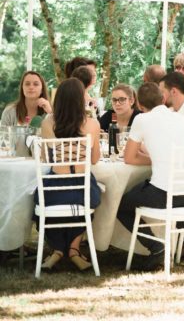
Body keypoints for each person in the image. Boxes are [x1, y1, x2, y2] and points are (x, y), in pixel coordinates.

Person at [118, 82, 184, 272]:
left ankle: (157, 249)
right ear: (163, 99)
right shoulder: (180, 119)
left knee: (122, 206)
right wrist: (158, 159)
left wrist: (154, 160)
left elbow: (129, 157)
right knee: (176, 201)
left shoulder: (141, 119)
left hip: (165, 193)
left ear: (139, 105)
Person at [34, 78, 101, 272]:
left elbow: (47, 159)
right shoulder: (93, 124)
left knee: (38, 207)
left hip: (54, 189)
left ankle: (56, 250)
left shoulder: (48, 123)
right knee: (86, 204)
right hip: (83, 188)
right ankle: (73, 250)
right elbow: (95, 160)